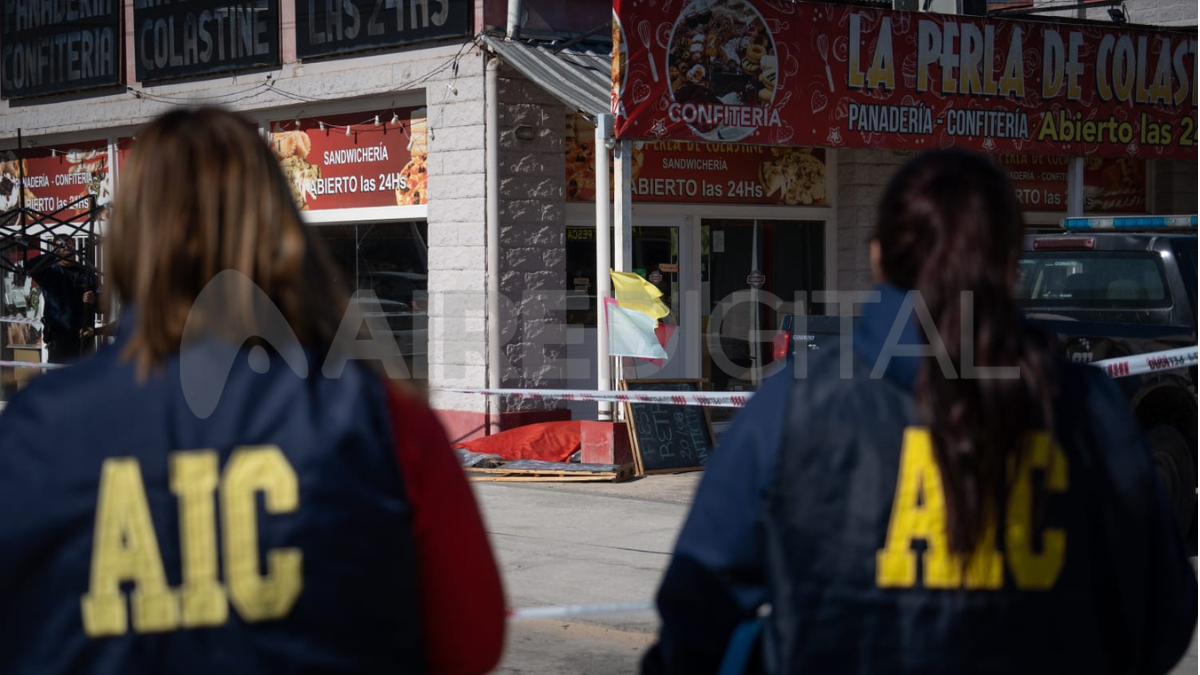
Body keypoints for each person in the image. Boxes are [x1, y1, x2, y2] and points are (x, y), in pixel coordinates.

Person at [643, 149, 1196, 674]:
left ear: (877, 254)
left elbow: (696, 620)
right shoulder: (1088, 409)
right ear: (1010, 265)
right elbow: (1161, 623)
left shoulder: (794, 409)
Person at [0, 107, 506, 675]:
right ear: (280, 230)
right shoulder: (378, 417)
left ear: (132, 239)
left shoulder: (30, 434)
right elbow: (472, 643)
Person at [25, 234, 99, 363]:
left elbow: (103, 305)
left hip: (83, 338)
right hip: (58, 339)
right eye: (62, 246)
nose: (66, 249)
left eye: (70, 246)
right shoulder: (49, 272)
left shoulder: (86, 273)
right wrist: (53, 254)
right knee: (58, 379)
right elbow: (30, 266)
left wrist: (94, 301)